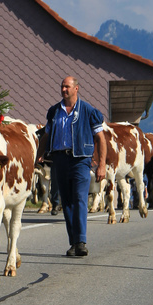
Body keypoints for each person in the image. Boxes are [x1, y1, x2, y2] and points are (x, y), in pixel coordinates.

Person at [45, 76, 106, 257]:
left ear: (76, 88)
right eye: (62, 86)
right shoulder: (54, 111)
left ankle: (81, 241)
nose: (64, 90)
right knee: (67, 202)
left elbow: (101, 139)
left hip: (80, 159)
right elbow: (46, 136)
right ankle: (73, 243)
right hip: (60, 160)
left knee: (79, 198)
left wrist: (101, 164)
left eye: (67, 87)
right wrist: (38, 155)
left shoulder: (88, 111)